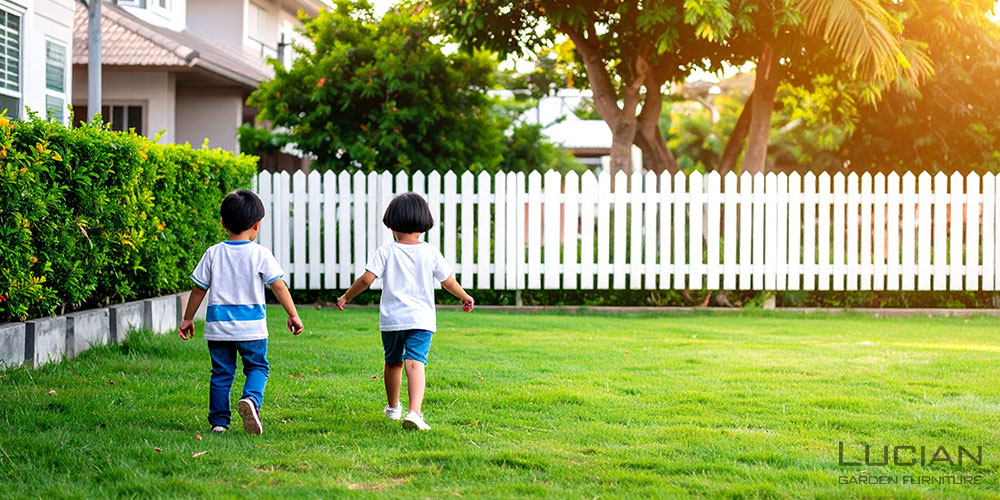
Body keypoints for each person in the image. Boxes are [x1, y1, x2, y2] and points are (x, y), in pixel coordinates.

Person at [337, 192, 474, 431]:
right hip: (421, 319)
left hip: (392, 320)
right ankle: (414, 412)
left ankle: (393, 408)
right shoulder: (430, 252)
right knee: (415, 363)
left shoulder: (386, 251)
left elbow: (366, 279)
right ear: (424, 224)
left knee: (393, 363)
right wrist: (464, 296)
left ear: (392, 224)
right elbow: (448, 281)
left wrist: (346, 296)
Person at [178, 190, 304, 436]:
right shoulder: (260, 254)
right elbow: (278, 285)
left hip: (218, 328)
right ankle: (251, 400)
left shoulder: (213, 253)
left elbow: (198, 289)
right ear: (256, 225)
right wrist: (293, 314)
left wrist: (188, 318)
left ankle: (219, 423)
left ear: (223, 223)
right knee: (257, 367)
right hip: (251, 328)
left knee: (221, 373)